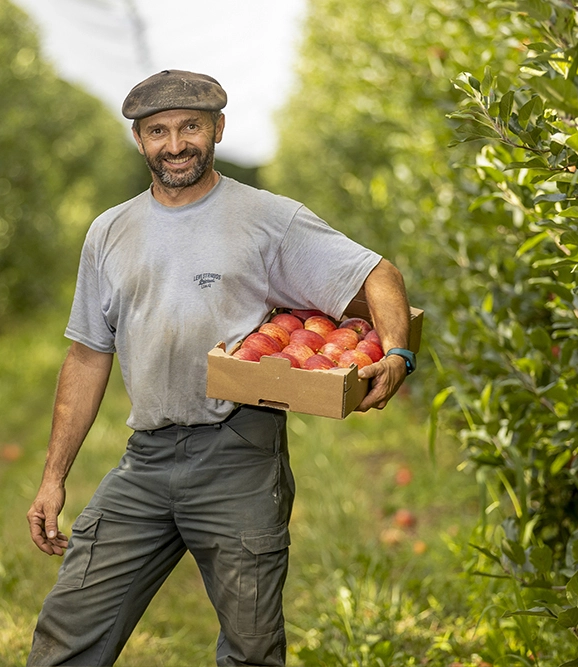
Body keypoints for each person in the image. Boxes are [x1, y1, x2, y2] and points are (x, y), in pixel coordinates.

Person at [25, 69, 414, 666]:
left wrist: (396, 351)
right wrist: (54, 478)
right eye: (158, 130)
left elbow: (376, 273)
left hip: (238, 455)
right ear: (139, 139)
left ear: (218, 130)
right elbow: (85, 355)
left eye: (190, 127)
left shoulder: (267, 218)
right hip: (146, 460)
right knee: (67, 631)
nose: (175, 144)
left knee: (252, 651)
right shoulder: (109, 232)